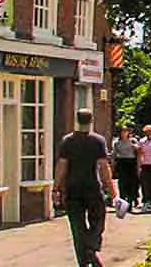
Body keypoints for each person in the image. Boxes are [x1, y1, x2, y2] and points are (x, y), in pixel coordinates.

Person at [54, 108, 116, 267]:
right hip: (92, 187)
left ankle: (83, 261)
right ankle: (91, 246)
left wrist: (56, 188)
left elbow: (62, 165)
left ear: (77, 120)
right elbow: (103, 166)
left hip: (72, 188)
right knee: (98, 220)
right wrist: (111, 189)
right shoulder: (98, 141)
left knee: (77, 226)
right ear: (91, 121)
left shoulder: (67, 141)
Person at [111, 126, 140, 208]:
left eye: (125, 131)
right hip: (121, 162)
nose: (124, 133)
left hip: (131, 162)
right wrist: (112, 166)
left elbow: (139, 152)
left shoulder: (133, 140)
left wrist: (138, 165)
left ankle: (130, 202)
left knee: (132, 183)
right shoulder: (116, 142)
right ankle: (122, 202)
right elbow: (114, 154)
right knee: (122, 183)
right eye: (122, 131)